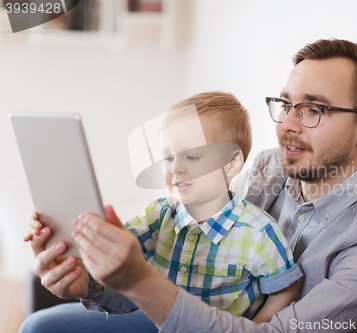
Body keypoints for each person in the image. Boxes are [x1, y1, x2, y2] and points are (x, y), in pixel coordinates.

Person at [22, 39, 357, 333]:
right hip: (212, 315)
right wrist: (89, 282)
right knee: (41, 325)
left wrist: (138, 280)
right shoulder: (274, 167)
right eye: (286, 104)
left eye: (313, 110)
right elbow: (202, 273)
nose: (287, 124)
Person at [21, 92, 302, 331]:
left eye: (191, 156)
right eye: (168, 157)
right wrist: (75, 251)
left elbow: (285, 289)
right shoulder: (160, 215)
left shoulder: (258, 231)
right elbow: (121, 254)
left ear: (231, 164)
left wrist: (257, 326)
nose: (175, 168)